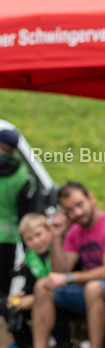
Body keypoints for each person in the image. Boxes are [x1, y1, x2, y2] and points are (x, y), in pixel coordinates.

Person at [31, 182, 105, 348]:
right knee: (43, 286)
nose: (77, 213)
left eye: (79, 205)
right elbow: (60, 272)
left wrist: (69, 278)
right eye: (69, 210)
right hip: (96, 290)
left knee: (94, 287)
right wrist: (55, 237)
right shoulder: (75, 231)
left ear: (90, 198)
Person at [3, 213, 68, 348]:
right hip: (40, 297)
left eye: (39, 235)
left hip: (61, 296)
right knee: (11, 305)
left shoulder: (60, 248)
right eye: (29, 239)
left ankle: (63, 347)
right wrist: (20, 296)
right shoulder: (31, 257)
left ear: (49, 230)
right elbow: (29, 284)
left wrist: (34, 298)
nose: (36, 241)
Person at [0, 127, 31, 299]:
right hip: (8, 238)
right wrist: (26, 247)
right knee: (3, 286)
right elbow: (23, 210)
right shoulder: (21, 173)